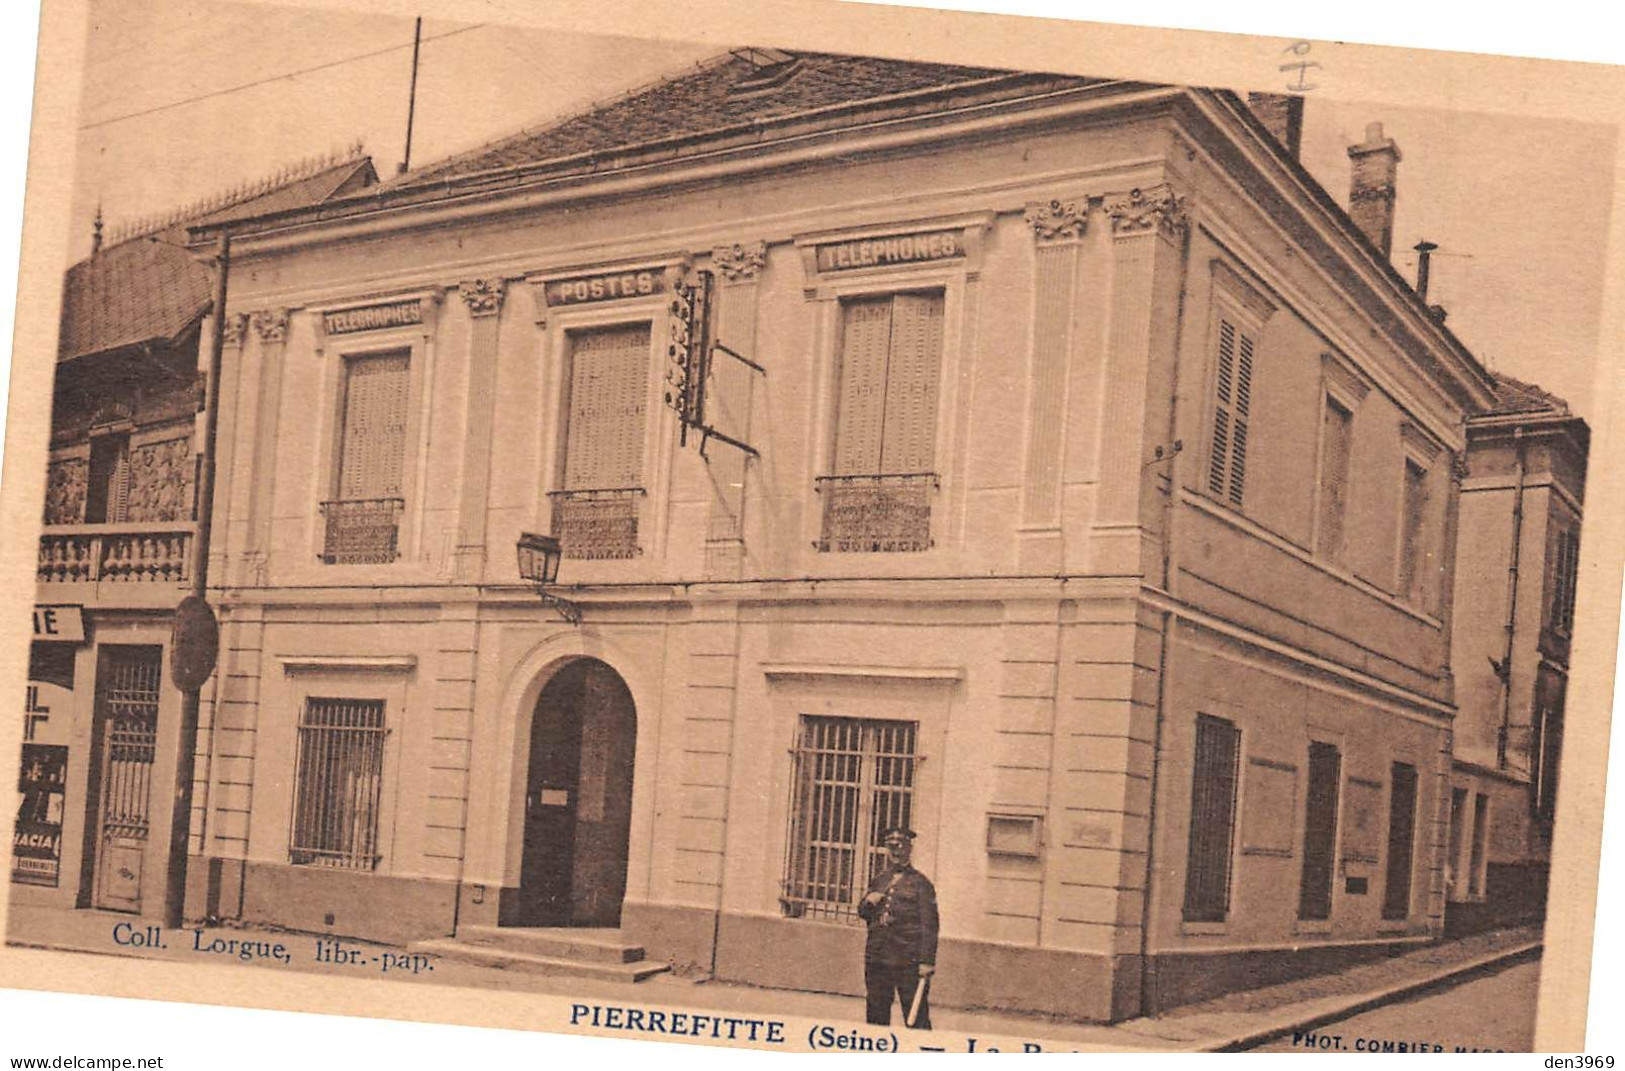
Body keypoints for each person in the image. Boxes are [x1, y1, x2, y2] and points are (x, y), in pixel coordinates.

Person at [856, 827, 939, 1029]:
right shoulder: (880, 879)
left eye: (900, 847)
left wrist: (926, 961)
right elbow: (863, 913)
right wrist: (868, 903)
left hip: (907, 960)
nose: (895, 852)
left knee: (915, 1015)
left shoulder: (921, 883)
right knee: (876, 1012)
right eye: (891, 847)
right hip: (878, 957)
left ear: (909, 849)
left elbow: (930, 925)